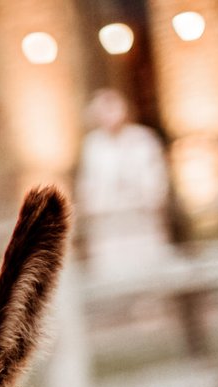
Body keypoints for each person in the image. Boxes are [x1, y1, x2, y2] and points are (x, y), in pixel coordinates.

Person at [76, 88, 174, 280]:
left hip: (141, 220)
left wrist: (147, 197)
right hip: (109, 226)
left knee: (148, 273)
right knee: (115, 275)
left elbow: (155, 177)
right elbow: (89, 184)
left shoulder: (143, 139)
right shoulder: (93, 145)